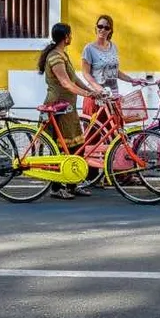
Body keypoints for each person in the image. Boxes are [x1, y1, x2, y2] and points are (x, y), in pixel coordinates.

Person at [38, 22, 103, 200]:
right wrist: (86, 94)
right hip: (57, 107)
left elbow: (75, 79)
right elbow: (66, 83)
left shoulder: (62, 55)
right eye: (70, 34)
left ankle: (73, 184)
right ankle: (56, 188)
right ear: (66, 37)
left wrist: (92, 92)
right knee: (60, 149)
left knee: (77, 147)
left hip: (68, 108)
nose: (71, 37)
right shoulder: (55, 58)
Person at [80, 14, 140, 189]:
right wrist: (97, 89)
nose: (102, 30)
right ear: (96, 27)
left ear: (111, 30)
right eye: (99, 26)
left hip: (113, 98)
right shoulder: (89, 49)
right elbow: (86, 73)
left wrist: (131, 80)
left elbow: (116, 72)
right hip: (97, 98)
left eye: (106, 27)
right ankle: (91, 176)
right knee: (94, 137)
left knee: (116, 135)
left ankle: (119, 174)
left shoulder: (113, 47)